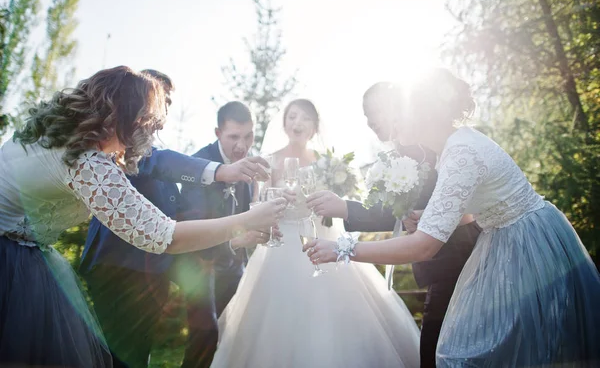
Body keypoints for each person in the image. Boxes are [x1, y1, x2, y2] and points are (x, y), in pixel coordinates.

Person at [305, 68, 600, 367]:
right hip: (506, 237)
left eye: (402, 113)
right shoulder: (453, 146)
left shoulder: (460, 153)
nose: (395, 121)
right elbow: (478, 206)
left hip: (527, 247)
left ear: (423, 115)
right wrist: (430, 215)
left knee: (484, 352)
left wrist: (342, 249)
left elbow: (423, 247)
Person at [0, 66, 285, 367]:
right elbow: (163, 235)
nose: (150, 133)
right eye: (147, 122)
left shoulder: (58, 134)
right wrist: (248, 220)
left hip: (26, 254)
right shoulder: (85, 161)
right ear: (124, 115)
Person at [80, 71, 271, 368]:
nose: (163, 108)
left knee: (137, 352)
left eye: (166, 100)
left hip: (155, 265)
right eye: (158, 99)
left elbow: (174, 208)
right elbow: (159, 163)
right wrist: (221, 173)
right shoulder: (128, 142)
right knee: (126, 354)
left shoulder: (158, 149)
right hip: (121, 261)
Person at [211, 99, 420, 368]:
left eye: (306, 118)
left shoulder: (328, 163)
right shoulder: (270, 160)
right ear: (284, 122)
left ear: (315, 127)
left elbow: (342, 205)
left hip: (325, 240)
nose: (298, 123)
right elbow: (259, 206)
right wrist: (275, 201)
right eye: (293, 116)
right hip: (283, 247)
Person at [307, 82, 481, 367]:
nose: (369, 121)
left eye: (373, 112)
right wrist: (345, 207)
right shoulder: (401, 152)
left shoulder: (429, 147)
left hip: (458, 259)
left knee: (437, 355)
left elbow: (453, 202)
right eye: (365, 115)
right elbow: (398, 210)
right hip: (440, 265)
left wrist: (344, 210)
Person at [177, 100, 264, 367]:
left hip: (233, 263)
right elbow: (193, 226)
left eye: (248, 136)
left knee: (237, 330)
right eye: (233, 137)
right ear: (218, 133)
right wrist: (236, 241)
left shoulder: (249, 166)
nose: (242, 145)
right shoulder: (199, 163)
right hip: (199, 265)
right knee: (206, 334)